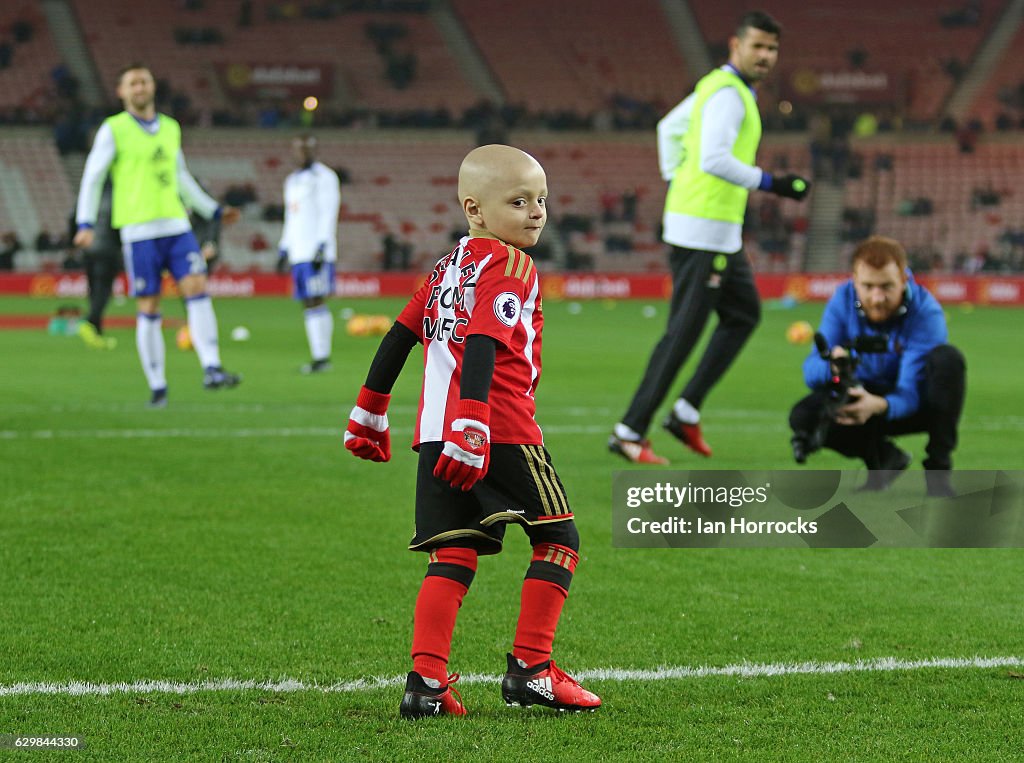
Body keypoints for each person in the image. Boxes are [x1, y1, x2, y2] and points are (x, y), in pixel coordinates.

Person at [343, 144, 600, 719]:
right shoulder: (510, 264)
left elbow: (400, 334)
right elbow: (484, 338)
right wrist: (475, 420)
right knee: (559, 538)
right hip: (499, 427)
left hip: (436, 433)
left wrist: (369, 410)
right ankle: (532, 669)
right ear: (475, 209)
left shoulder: (447, 266)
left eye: (542, 201)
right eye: (519, 201)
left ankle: (426, 683)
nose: (536, 212)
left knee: (453, 552)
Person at [609, 10, 810, 464]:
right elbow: (715, 160)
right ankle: (629, 430)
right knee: (682, 334)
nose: (765, 55)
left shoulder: (716, 86)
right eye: (757, 46)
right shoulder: (730, 96)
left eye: (772, 48)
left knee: (743, 314)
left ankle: (684, 409)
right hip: (704, 230)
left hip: (714, 231)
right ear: (735, 46)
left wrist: (673, 176)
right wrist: (775, 183)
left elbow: (669, 129)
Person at [73, 63, 241, 407]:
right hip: (139, 232)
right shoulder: (114, 129)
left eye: (144, 81)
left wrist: (212, 210)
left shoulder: (170, 127)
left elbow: (181, 177)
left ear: (152, 87)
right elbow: (93, 176)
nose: (139, 87)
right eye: (132, 83)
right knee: (149, 305)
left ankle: (212, 367)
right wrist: (85, 223)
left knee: (197, 288)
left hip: (177, 226)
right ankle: (158, 385)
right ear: (121, 91)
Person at [788, 236, 966, 497]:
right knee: (804, 416)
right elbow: (811, 370)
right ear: (855, 281)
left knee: (947, 360)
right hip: (865, 396)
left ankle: (938, 472)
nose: (877, 297)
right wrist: (833, 368)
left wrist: (879, 405)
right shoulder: (842, 300)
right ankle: (884, 460)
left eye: (886, 286)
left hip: (917, 405)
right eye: (868, 286)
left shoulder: (926, 313)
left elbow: (909, 393)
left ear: (904, 280)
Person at [278, 134, 341, 374]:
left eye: (306, 148)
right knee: (307, 302)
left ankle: (322, 357)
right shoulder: (291, 180)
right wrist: (284, 247)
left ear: (315, 150)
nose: (302, 153)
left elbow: (329, 212)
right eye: (298, 149)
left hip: (316, 250)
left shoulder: (324, 177)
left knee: (316, 298)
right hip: (298, 251)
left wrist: (322, 246)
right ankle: (319, 355)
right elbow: (290, 217)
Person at [72, 179, 120, 350]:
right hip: (108, 250)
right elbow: (120, 224)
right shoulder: (119, 193)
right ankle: (91, 321)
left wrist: (75, 240)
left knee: (93, 288)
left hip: (88, 249)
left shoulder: (90, 193)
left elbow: (73, 215)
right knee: (103, 291)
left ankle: (96, 332)